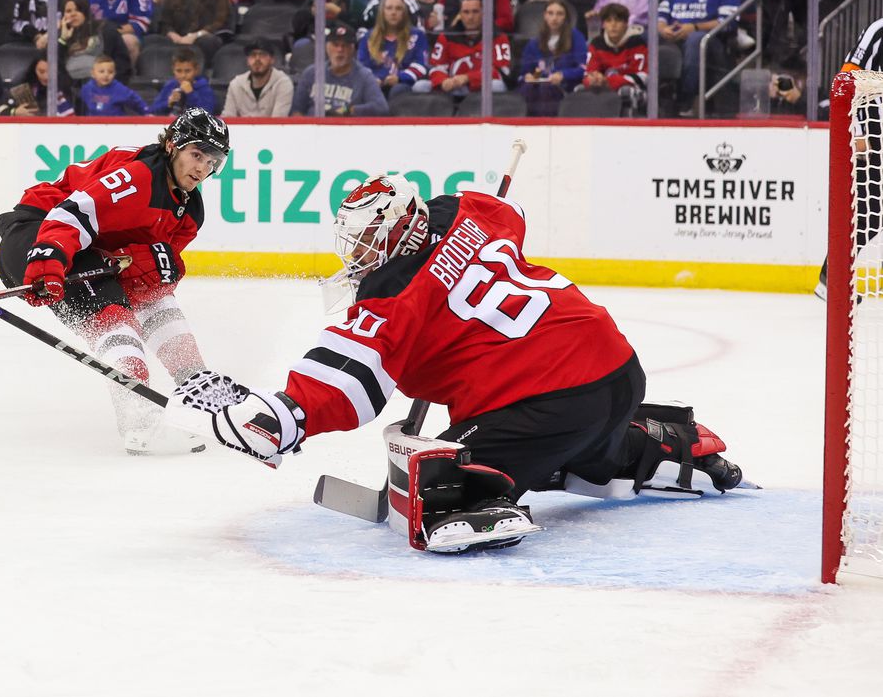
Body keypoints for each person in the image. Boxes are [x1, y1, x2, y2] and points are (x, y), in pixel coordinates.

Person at [166, 174, 745, 553]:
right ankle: (660, 440)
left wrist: (282, 417)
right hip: (617, 368)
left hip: (549, 398)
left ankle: (477, 498)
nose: (360, 255)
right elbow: (508, 210)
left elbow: (346, 382)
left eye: (369, 239)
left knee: (440, 475)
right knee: (590, 454)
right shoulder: (465, 210)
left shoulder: (393, 294)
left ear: (397, 232)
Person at [0, 109, 229, 455]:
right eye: (197, 155)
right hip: (37, 235)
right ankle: (134, 403)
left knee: (153, 290)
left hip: (87, 250)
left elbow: (151, 279)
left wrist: (161, 268)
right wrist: (48, 257)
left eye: (212, 162)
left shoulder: (191, 212)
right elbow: (68, 214)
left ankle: (194, 383)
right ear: (172, 145)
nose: (202, 169)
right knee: (112, 312)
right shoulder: (138, 176)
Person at [814, 17, 883, 298]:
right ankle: (832, 278)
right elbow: (845, 82)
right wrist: (856, 130)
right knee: (868, 216)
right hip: (875, 139)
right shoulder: (879, 31)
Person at [658, 0, 742, 115]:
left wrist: (694, 27)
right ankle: (649, 98)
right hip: (674, 38)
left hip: (711, 41)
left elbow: (728, 22)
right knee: (645, 37)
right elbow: (661, 16)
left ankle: (687, 99)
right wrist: (663, 29)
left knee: (695, 39)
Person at [290, 21, 389, 116]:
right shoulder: (311, 73)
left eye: (345, 46)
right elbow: (296, 110)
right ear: (327, 47)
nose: (340, 50)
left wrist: (347, 110)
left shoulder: (364, 76)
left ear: (353, 49)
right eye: (335, 45)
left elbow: (381, 107)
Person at [427, 0, 512, 98]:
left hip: (482, 89)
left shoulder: (497, 36)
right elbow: (436, 67)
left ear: (483, 14)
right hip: (452, 87)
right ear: (460, 15)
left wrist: (468, 78)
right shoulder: (447, 36)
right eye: (466, 12)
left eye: (475, 12)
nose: (470, 17)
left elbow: (502, 71)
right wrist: (443, 81)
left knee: (496, 85)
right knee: (421, 86)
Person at [579, 2, 647, 114]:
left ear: (626, 23)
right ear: (603, 24)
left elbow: (641, 77)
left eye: (618, 20)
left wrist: (607, 81)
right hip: (603, 86)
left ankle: (628, 126)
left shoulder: (637, 43)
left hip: (634, 89)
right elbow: (589, 74)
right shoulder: (597, 44)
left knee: (626, 92)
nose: (613, 25)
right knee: (580, 90)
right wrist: (594, 80)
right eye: (608, 21)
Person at [357, 0, 428, 99]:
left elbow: (421, 65)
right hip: (375, 84)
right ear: (382, 12)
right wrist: (373, 79)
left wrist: (400, 78)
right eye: (389, 8)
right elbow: (361, 65)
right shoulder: (368, 37)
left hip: (404, 85)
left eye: (398, 8)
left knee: (397, 90)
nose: (393, 12)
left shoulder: (417, 35)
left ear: (404, 13)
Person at [57, 0, 132, 85]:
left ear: (86, 12)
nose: (73, 14)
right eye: (68, 11)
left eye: (78, 10)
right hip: (69, 88)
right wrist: (63, 39)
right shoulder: (60, 37)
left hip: (103, 86)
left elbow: (122, 64)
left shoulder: (106, 30)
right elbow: (54, 67)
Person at [222, 38, 293, 117]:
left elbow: (278, 121)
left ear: (272, 60)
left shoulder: (283, 83)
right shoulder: (236, 84)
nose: (257, 59)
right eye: (253, 55)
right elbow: (228, 117)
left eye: (262, 55)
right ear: (247, 60)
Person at [0, 54, 76, 117]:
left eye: (51, 72)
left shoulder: (68, 89)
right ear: (34, 70)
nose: (46, 77)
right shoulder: (22, 88)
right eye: (41, 72)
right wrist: (14, 112)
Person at [78, 53, 148, 116]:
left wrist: (146, 112)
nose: (106, 75)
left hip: (115, 125)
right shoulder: (87, 88)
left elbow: (135, 101)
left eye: (110, 72)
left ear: (115, 73)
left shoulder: (119, 89)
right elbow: (79, 106)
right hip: (93, 126)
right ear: (93, 74)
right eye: (101, 72)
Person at [152, 47, 213, 115]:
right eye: (178, 71)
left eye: (187, 71)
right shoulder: (170, 85)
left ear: (196, 70)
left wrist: (190, 94)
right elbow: (153, 110)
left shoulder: (204, 88)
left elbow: (207, 114)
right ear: (173, 70)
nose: (183, 75)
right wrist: (168, 103)